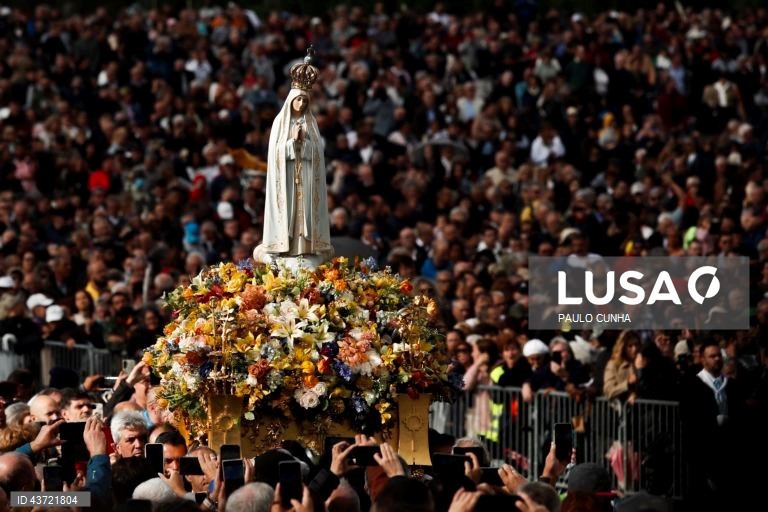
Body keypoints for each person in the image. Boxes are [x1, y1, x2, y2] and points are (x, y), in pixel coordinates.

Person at [254, 47, 333, 263]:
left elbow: (317, 155)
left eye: (305, 101)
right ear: (290, 101)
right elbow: (275, 154)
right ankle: (284, 246)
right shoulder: (280, 122)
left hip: (305, 177)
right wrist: (292, 143)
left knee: (304, 210)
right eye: (298, 100)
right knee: (288, 211)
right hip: (288, 177)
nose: (301, 104)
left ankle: (305, 247)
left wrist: (304, 145)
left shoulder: (311, 123)